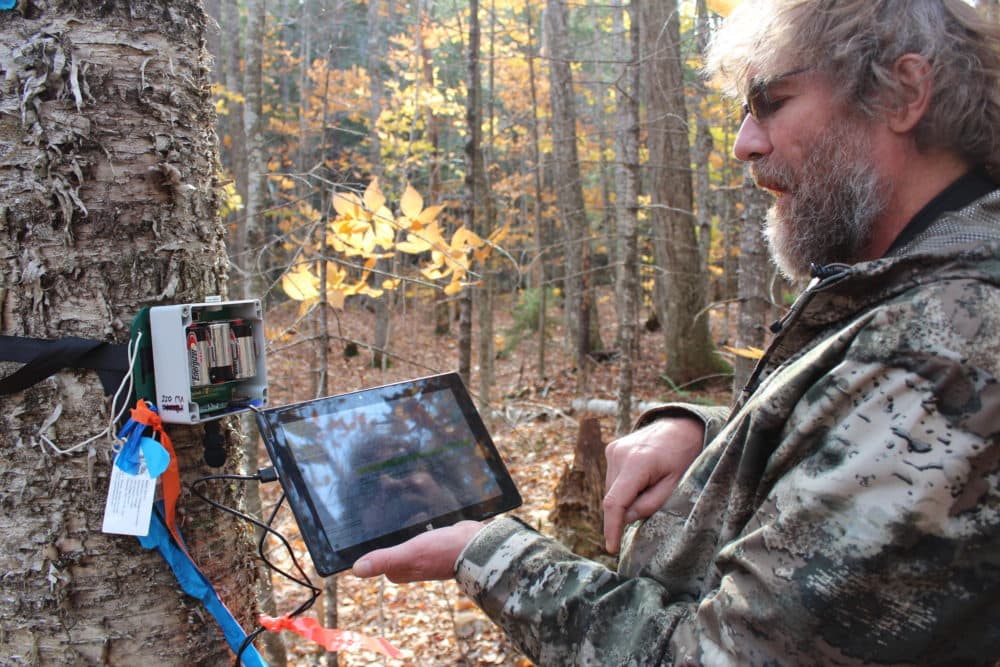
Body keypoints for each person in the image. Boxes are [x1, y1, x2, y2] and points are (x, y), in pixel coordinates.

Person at [352, 0, 1000, 663]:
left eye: (770, 101)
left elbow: (715, 655)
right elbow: (849, 450)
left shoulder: (952, 344)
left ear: (904, 94)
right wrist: (705, 436)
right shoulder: (905, 291)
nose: (746, 141)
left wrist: (484, 551)